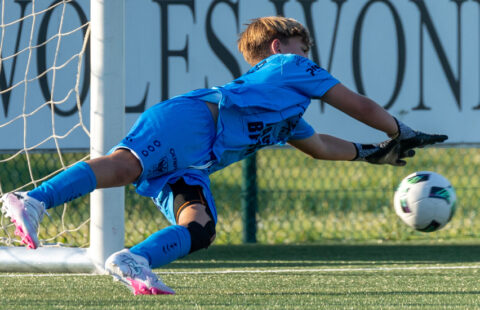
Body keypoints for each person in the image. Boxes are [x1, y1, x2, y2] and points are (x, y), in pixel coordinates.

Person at [1, 16, 447, 295]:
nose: (309, 57)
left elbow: (321, 146)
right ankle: (35, 200)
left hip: (196, 158)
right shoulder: (291, 67)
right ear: (279, 47)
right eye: (303, 47)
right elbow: (361, 106)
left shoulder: (286, 110)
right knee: (124, 167)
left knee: (200, 226)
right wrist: (400, 130)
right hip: (193, 120)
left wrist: (375, 153)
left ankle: (134, 260)